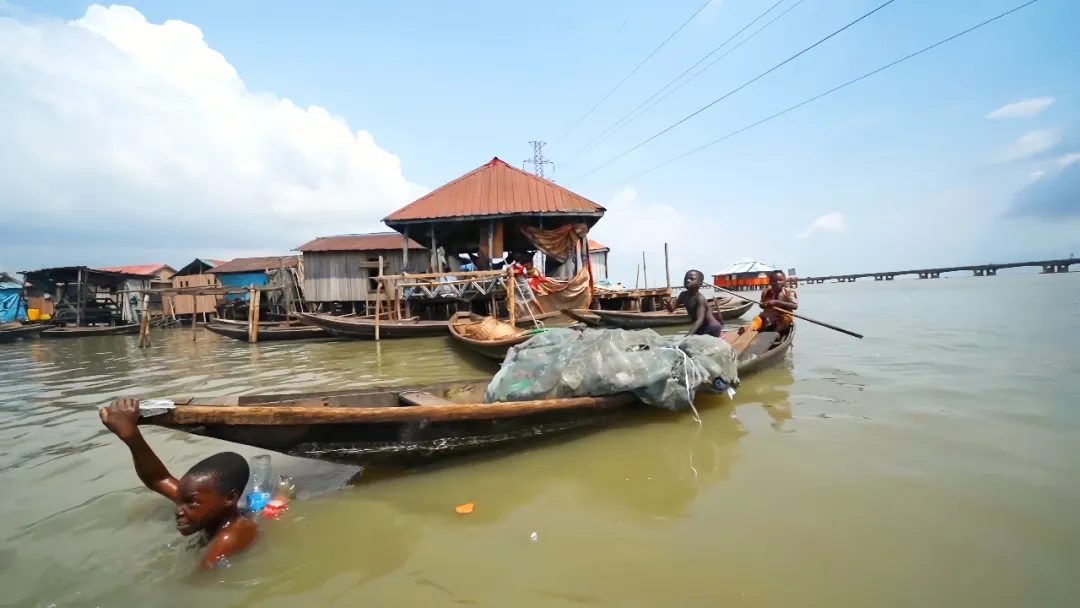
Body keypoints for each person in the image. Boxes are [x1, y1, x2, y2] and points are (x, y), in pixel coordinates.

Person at [99, 398, 258, 570]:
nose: (178, 511)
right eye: (179, 500)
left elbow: (198, 584)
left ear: (230, 498)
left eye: (189, 503)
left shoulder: (230, 538)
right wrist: (130, 435)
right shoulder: (205, 503)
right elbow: (158, 479)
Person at [666, 269, 724, 338]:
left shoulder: (700, 298)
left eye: (692, 279)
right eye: (686, 279)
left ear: (700, 283)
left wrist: (686, 337)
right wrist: (668, 303)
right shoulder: (683, 295)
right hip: (700, 328)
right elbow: (671, 309)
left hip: (711, 328)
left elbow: (699, 320)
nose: (688, 281)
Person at [739, 270, 798, 335]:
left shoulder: (789, 292)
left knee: (786, 319)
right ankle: (750, 329)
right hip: (768, 317)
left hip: (782, 317)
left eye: (780, 280)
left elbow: (795, 306)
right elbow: (761, 305)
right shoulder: (766, 292)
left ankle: (776, 332)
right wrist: (765, 305)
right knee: (757, 319)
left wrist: (777, 302)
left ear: (784, 281)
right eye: (774, 280)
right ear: (770, 282)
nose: (777, 282)